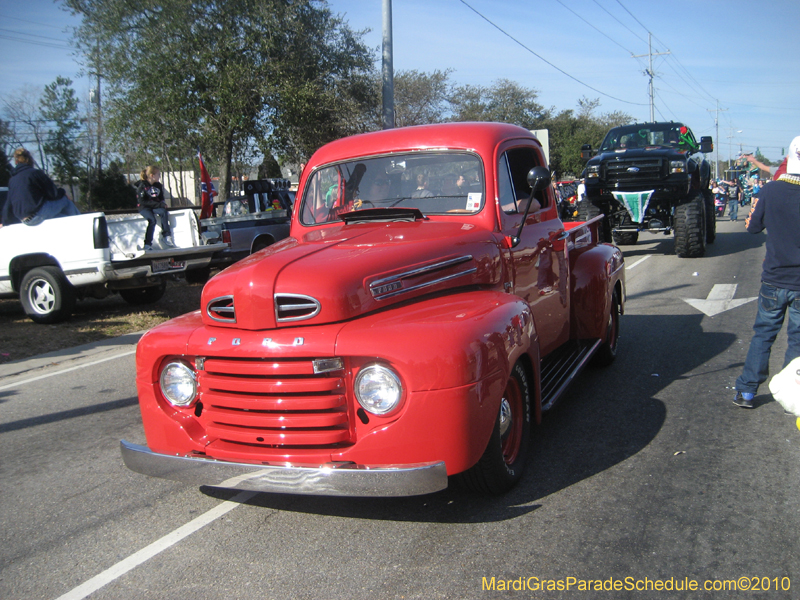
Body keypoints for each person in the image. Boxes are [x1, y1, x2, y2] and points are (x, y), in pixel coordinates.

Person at [732, 135, 800, 408]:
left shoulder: (770, 191)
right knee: (797, 341)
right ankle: (791, 393)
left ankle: (747, 391)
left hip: (774, 278)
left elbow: (752, 228)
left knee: (763, 334)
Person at [3, 147, 79, 226]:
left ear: (16, 162)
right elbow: (53, 194)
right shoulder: (35, 173)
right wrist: (63, 192)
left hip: (24, 220)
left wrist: (4, 222)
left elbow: (8, 203)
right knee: (64, 200)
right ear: (30, 160)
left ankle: (71, 225)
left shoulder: (12, 180)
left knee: (61, 217)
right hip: (37, 214)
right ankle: (80, 222)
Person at [135, 166, 174, 250]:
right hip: (144, 207)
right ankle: (147, 244)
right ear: (152, 175)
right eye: (158, 174)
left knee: (163, 212)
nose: (159, 176)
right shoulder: (142, 185)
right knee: (152, 220)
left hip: (154, 206)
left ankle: (166, 235)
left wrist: (162, 204)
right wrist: (158, 205)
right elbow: (142, 201)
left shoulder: (158, 186)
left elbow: (161, 198)